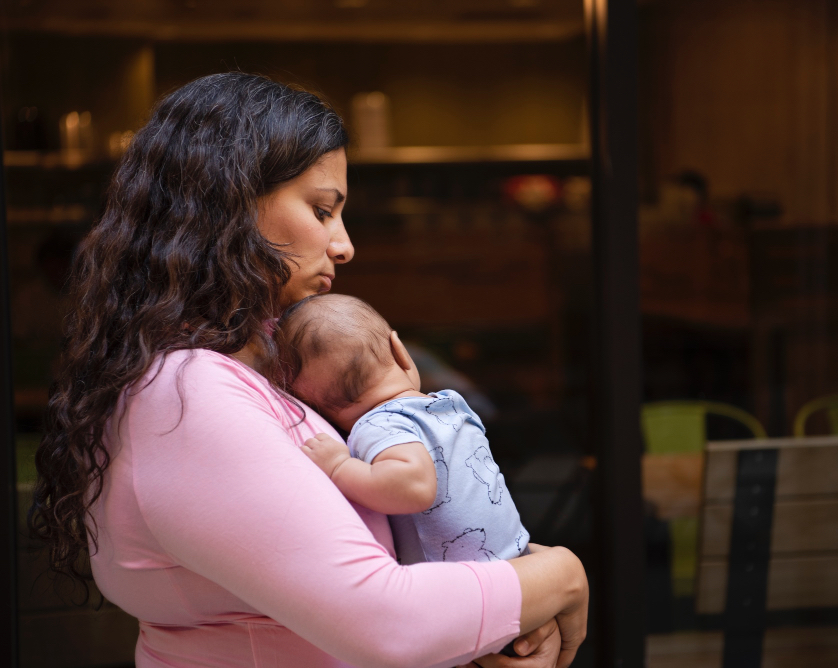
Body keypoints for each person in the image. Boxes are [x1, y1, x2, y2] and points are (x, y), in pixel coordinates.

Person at [29, 72, 588, 668]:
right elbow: (386, 622)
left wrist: (494, 622)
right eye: (322, 210)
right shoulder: (189, 392)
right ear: (229, 201)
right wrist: (560, 574)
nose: (344, 246)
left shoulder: (250, 371)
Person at [274, 293, 528, 565]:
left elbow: (414, 486)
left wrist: (338, 467)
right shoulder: (450, 404)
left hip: (470, 582)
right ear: (400, 350)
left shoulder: (380, 424)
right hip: (516, 556)